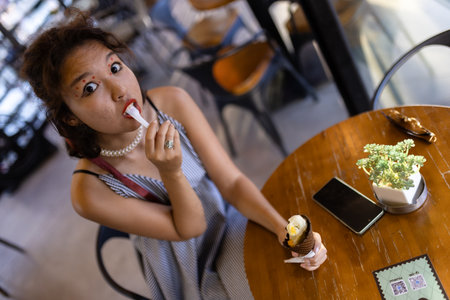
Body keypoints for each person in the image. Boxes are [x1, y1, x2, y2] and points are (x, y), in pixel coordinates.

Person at [21, 10, 327, 300]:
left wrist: (284, 231)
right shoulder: (89, 191)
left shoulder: (172, 102)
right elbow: (190, 228)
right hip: (186, 268)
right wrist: (171, 173)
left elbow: (231, 182)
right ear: (70, 117)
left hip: (227, 223)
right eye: (89, 88)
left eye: (115, 67)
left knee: (294, 276)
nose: (120, 90)